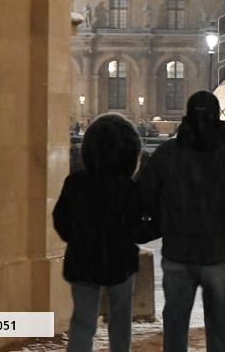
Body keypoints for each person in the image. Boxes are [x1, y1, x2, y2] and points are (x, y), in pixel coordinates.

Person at [139, 91, 225, 352]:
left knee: (175, 322)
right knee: (218, 324)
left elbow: (144, 195)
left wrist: (163, 224)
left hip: (178, 251)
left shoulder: (166, 154)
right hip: (218, 254)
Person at [53, 113, 149, 352]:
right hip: (120, 261)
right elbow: (136, 227)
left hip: (82, 259)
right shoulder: (129, 189)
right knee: (120, 321)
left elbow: (61, 219)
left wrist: (77, 238)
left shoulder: (75, 182)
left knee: (82, 322)